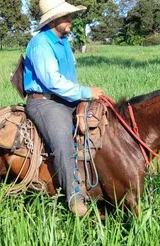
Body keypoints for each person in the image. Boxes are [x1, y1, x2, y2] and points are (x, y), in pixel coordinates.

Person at [23, 0, 105, 216]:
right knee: (62, 142)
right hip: (45, 102)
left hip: (66, 98)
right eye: (65, 16)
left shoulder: (63, 42)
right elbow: (52, 81)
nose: (70, 20)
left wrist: (82, 99)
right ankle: (73, 197)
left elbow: (68, 79)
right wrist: (86, 92)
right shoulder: (41, 44)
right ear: (53, 20)